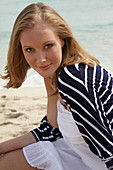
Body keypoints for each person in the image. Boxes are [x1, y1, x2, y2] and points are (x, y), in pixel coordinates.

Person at [0, 2, 113, 170]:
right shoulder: (53, 74)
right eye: (30, 49)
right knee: (8, 161)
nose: (41, 59)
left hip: (102, 161)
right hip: (83, 155)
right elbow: (51, 130)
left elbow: (107, 148)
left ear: (62, 39)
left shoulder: (73, 78)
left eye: (48, 46)